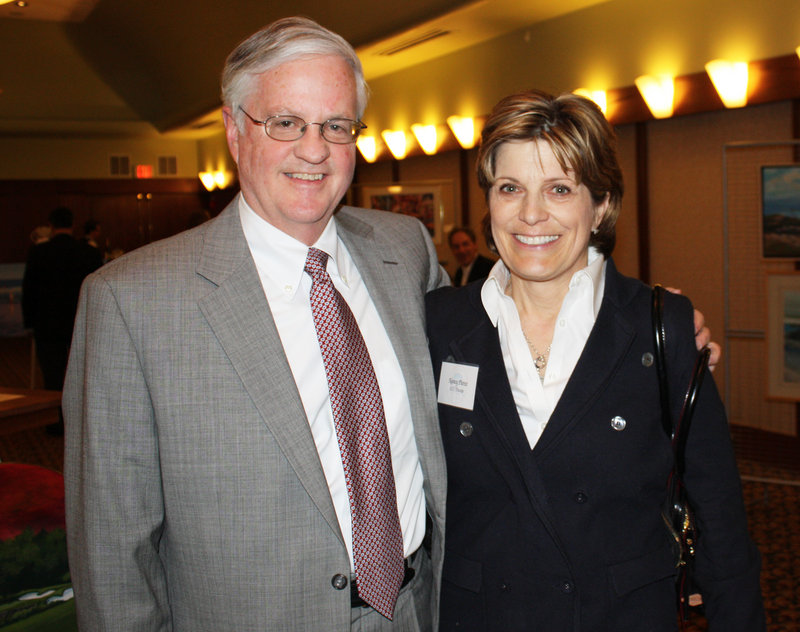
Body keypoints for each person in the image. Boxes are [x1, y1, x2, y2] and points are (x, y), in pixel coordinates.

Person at [63, 17, 448, 631]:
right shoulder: (131, 303)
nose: (314, 148)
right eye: (286, 123)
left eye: (335, 125)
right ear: (235, 130)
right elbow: (113, 551)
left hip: (416, 610)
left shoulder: (405, 252)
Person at [425, 90, 763, 631]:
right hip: (482, 616)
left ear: (601, 204)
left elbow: (720, 517)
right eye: (510, 188)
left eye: (559, 188)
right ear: (488, 201)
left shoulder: (661, 326)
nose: (531, 214)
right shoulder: (437, 324)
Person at [22, 206, 102, 435]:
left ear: (51, 225)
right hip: (81, 320)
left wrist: (28, 322)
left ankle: (57, 421)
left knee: (53, 374)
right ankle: (82, 422)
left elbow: (29, 290)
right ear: (73, 224)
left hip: (47, 322)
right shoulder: (88, 252)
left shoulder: (39, 252)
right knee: (83, 372)